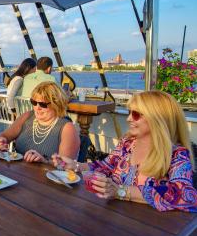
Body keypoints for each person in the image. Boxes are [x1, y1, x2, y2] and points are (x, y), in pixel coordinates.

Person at [52, 91, 196, 212]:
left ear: (158, 119)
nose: (128, 118)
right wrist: (75, 165)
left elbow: (185, 196)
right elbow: (105, 167)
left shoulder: (177, 154)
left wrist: (121, 191)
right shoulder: (128, 143)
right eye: (129, 112)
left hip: (146, 230)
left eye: (136, 114)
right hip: (113, 217)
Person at [0, 81, 79, 163]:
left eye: (43, 104)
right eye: (34, 102)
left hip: (45, 176)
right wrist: (1, 140)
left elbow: (65, 165)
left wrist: (44, 160)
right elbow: (5, 136)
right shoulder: (27, 116)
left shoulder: (67, 128)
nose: (37, 107)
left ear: (56, 104)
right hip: (18, 172)